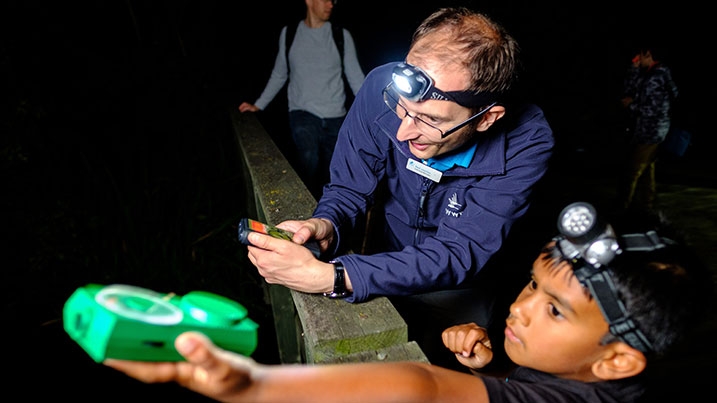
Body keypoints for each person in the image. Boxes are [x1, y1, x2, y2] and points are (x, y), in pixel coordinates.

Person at [105, 201, 712, 403]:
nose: (521, 308)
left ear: (615, 361)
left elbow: (421, 387)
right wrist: (494, 369)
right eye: (532, 285)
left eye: (555, 310)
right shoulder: (592, 377)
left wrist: (256, 384)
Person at [244, 7, 554, 369]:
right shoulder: (379, 87)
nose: (404, 132)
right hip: (383, 255)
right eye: (401, 109)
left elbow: (460, 251)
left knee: (449, 371)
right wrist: (326, 224)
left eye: (430, 120)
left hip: (460, 290)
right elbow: (348, 187)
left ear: (487, 118)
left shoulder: (527, 141)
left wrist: (336, 276)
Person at [238, 0, 366, 198]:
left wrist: (378, 110)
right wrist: (258, 105)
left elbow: (356, 78)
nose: (331, 5)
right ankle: (300, 207)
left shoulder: (341, 35)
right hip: (302, 113)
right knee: (308, 158)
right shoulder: (289, 34)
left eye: (333, 1)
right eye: (326, 0)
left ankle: (325, 216)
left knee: (334, 173)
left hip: (336, 117)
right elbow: (280, 74)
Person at [616, 44, 679, 212]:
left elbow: (653, 108)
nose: (636, 59)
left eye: (639, 56)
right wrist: (634, 69)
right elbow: (632, 90)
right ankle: (645, 206)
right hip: (651, 130)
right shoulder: (652, 74)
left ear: (648, 55)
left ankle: (622, 208)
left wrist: (631, 106)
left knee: (632, 170)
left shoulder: (655, 77)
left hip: (651, 130)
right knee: (646, 169)